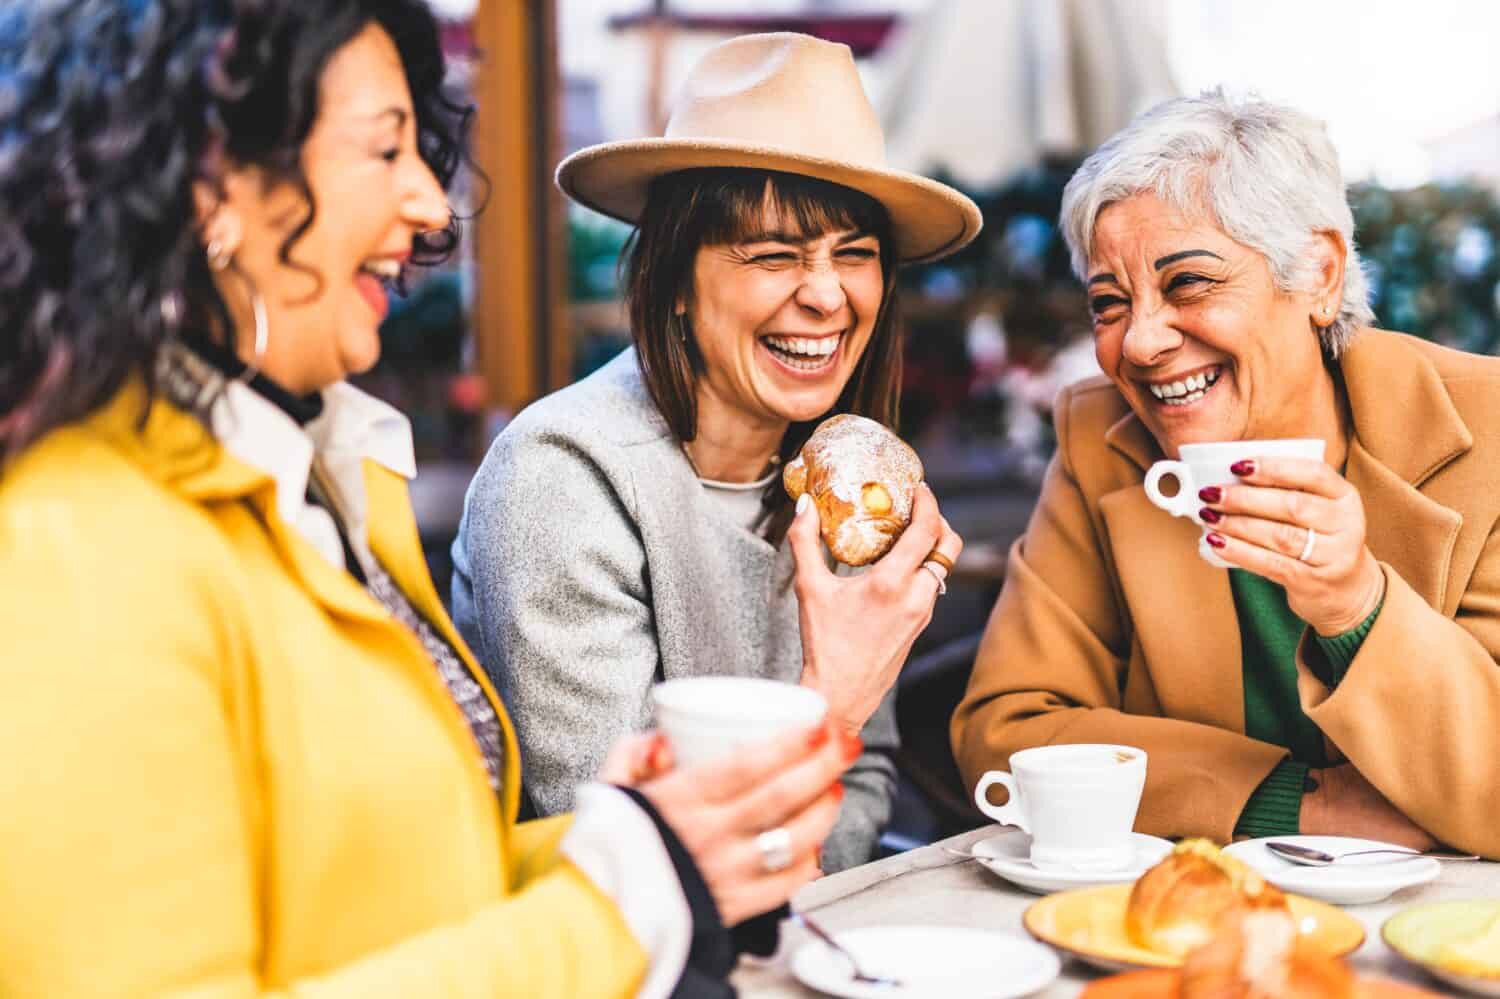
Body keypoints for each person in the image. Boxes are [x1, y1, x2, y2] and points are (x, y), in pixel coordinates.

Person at [0, 4, 865, 996]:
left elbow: (415, 896)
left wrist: (644, 843)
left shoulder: (321, 477)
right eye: (386, 150)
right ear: (210, 184)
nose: (430, 206)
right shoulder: (78, 549)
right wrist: (631, 893)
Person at [451, 32, 975, 872]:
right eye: (774, 254)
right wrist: (833, 699)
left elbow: (870, 778)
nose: (827, 294)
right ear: (676, 282)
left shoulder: (839, 486)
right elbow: (626, 851)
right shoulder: (560, 477)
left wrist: (794, 857)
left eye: (856, 254)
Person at [952, 91, 1500, 859]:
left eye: (1189, 283)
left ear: (1320, 275)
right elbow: (1005, 731)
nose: (1139, 343)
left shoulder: (1490, 433)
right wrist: (1292, 803)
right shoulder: (1101, 437)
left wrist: (1357, 606)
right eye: (1109, 303)